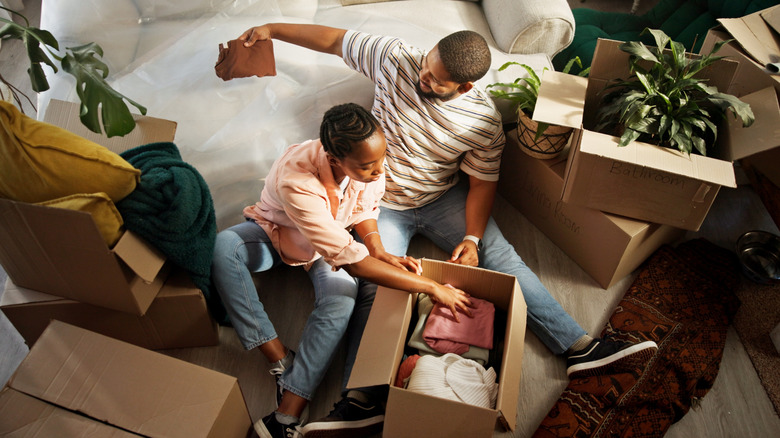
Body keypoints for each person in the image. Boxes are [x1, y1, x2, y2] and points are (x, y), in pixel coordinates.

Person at [239, 24, 658, 437]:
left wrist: (473, 239)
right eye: (427, 65)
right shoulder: (395, 57)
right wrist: (272, 29)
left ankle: (579, 348)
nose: (423, 77)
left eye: (436, 81)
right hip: (379, 203)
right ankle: (360, 399)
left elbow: (482, 182)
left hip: (440, 198)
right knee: (374, 287)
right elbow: (334, 40)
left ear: (464, 86)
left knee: (501, 256)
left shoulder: (483, 122)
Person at [211, 103, 473, 438]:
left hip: (327, 244)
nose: (379, 170)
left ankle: (284, 415)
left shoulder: (369, 163)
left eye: (381, 160)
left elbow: (364, 209)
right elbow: (354, 262)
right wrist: (431, 287)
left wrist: (379, 249)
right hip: (276, 233)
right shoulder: (297, 178)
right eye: (367, 166)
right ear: (334, 159)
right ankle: (278, 357)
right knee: (223, 248)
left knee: (343, 299)